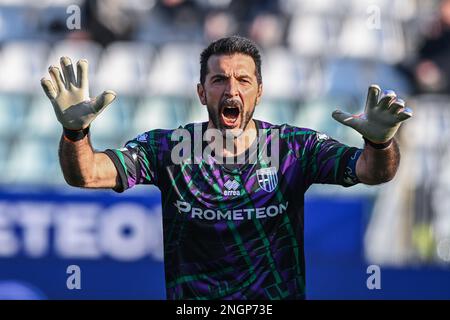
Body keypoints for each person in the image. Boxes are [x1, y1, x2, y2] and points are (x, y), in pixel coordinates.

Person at [40, 36, 412, 300]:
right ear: (202, 92)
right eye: (219, 80)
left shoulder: (295, 147)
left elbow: (371, 171)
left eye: (243, 80)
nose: (231, 89)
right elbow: (86, 174)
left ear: (259, 91)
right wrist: (75, 132)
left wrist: (379, 143)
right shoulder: (167, 149)